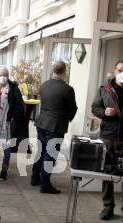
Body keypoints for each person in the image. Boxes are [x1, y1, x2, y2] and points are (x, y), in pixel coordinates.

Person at [32, 61, 77, 194]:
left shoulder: (44, 85)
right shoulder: (67, 89)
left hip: (41, 122)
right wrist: (65, 119)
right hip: (55, 126)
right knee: (50, 154)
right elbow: (72, 109)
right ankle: (45, 184)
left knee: (41, 151)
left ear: (53, 71)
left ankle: (35, 178)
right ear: (64, 72)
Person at [91, 60, 123, 220]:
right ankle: (108, 206)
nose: (121, 74)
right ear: (115, 71)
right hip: (109, 136)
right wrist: (104, 112)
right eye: (119, 70)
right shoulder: (105, 89)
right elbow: (94, 108)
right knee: (107, 172)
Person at [0, 66, 25, 180]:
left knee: (6, 148)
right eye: (0, 75)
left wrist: (12, 118)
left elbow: (20, 105)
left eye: (5, 75)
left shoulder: (13, 88)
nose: (3, 77)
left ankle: (3, 171)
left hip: (7, 123)